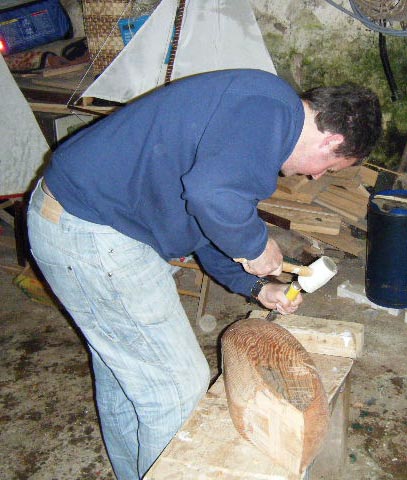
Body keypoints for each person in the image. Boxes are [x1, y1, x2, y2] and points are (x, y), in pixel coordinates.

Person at [27, 69, 382, 479]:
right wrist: (254, 245)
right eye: (331, 167)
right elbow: (212, 195)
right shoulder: (268, 112)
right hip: (89, 232)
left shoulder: (262, 112)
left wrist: (257, 285)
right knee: (176, 387)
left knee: (128, 376)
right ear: (331, 141)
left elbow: (202, 224)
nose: (318, 176)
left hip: (87, 223)